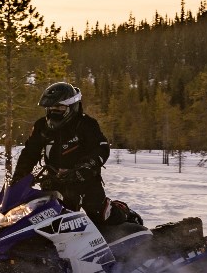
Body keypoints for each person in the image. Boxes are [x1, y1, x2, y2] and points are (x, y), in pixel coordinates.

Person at [14, 81, 141, 227]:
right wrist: (18, 179)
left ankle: (123, 212)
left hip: (84, 180)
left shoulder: (86, 124)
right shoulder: (41, 126)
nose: (54, 111)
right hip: (54, 182)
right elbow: (29, 153)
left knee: (100, 215)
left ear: (71, 107)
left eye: (60, 107)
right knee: (48, 221)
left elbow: (101, 148)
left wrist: (85, 167)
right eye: (51, 107)